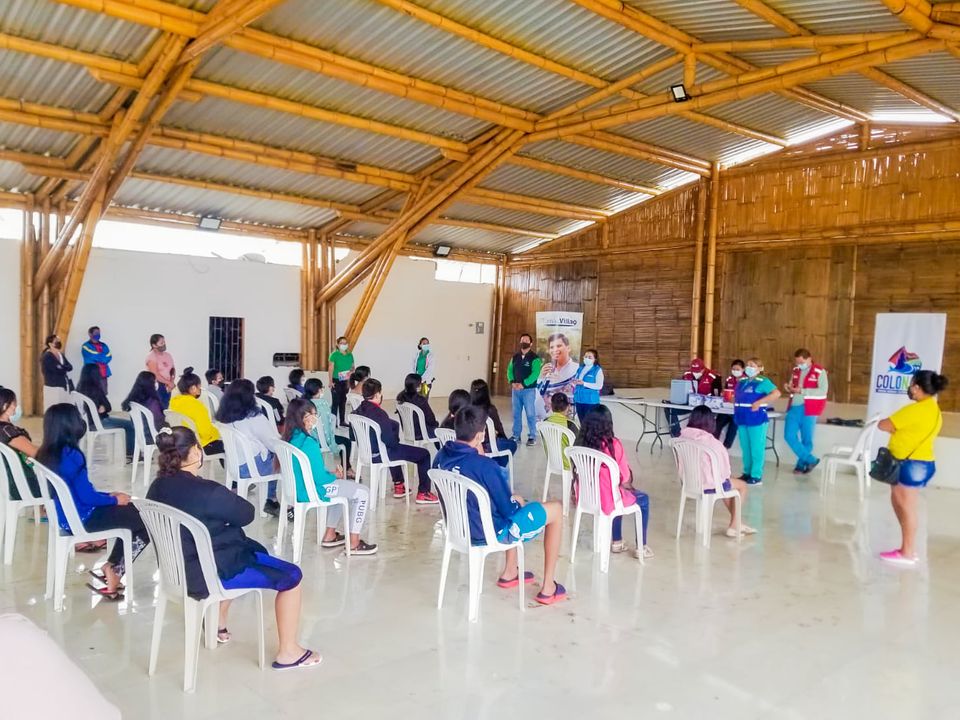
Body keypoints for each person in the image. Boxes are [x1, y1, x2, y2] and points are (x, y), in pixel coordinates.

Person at [146, 426, 321, 669]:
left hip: (176, 571)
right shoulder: (209, 491)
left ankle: (217, 622)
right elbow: (246, 514)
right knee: (292, 576)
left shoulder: (157, 487)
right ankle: (289, 652)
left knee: (255, 550)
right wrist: (225, 497)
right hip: (209, 575)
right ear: (195, 452)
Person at [434, 405, 566, 605]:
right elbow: (508, 510)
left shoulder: (440, 457)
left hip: (458, 529)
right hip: (488, 533)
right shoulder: (485, 466)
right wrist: (517, 501)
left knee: (508, 500)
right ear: (480, 436)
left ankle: (510, 571)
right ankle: (549, 587)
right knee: (554, 509)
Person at [37, 403, 150, 600]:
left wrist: (110, 496)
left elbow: (79, 492)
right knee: (146, 520)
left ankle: (112, 567)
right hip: (84, 517)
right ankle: (115, 570)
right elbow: (87, 497)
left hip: (66, 517)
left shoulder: (46, 454)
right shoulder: (72, 455)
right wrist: (114, 500)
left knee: (132, 510)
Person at [282, 399, 376, 555]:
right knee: (363, 492)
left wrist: (332, 475)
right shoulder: (308, 442)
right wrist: (333, 477)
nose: (316, 418)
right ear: (305, 417)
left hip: (296, 489)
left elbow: (311, 471)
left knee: (340, 488)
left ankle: (330, 535)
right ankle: (354, 543)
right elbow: (320, 478)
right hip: (312, 490)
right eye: (314, 414)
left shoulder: (290, 438)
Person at [877, 370, 948, 567]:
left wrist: (894, 428)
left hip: (910, 464)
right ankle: (907, 549)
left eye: (912, 385)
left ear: (917, 387)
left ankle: (907, 552)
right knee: (905, 505)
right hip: (921, 463)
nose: (910, 389)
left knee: (906, 508)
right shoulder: (933, 409)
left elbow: (884, 425)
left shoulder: (915, 410)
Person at [575, 405, 653, 558]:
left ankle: (617, 542)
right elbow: (625, 478)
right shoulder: (613, 445)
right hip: (606, 499)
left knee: (616, 493)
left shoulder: (579, 444)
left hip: (586, 497)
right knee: (640, 499)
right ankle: (641, 547)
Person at [353, 378, 438, 504]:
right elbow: (390, 442)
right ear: (377, 394)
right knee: (424, 454)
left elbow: (352, 434)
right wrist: (394, 440)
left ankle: (399, 485)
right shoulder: (379, 413)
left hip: (366, 453)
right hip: (381, 454)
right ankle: (423, 493)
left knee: (394, 443)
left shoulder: (356, 411)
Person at [680, 405, 756, 537]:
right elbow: (725, 471)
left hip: (690, 483)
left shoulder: (682, 437)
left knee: (728, 485)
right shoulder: (714, 443)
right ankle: (734, 525)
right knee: (741, 485)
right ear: (711, 422)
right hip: (709, 485)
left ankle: (737, 522)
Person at [216, 379, 281, 517]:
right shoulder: (254, 417)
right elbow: (273, 443)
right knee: (281, 457)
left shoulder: (223, 416)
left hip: (234, 466)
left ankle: (268, 498)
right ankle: (272, 499)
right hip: (253, 468)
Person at [733, 357, 781, 486]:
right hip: (742, 418)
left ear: (760, 368)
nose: (749, 367)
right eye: (748, 365)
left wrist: (759, 402)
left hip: (756, 419)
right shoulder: (742, 381)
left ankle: (756, 475)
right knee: (746, 448)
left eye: (753, 365)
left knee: (756, 448)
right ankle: (747, 472)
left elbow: (776, 394)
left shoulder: (763, 381)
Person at [783, 348, 828, 475]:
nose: (799, 365)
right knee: (789, 435)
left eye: (801, 362)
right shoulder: (796, 370)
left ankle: (801, 465)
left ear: (809, 359)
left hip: (810, 408)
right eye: (797, 362)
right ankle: (811, 460)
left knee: (806, 439)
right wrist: (789, 387)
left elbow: (823, 391)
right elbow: (793, 385)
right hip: (794, 407)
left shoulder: (819, 371)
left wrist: (802, 391)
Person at [76, 364, 135, 458]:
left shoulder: (79, 389)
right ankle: (131, 454)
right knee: (130, 425)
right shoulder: (96, 389)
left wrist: (102, 408)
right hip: (100, 422)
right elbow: (108, 407)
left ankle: (130, 454)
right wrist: (103, 407)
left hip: (87, 423)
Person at [168, 368, 224, 457]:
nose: (200, 389)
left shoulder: (174, 402)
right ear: (193, 388)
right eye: (199, 387)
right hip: (200, 445)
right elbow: (206, 433)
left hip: (181, 443)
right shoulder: (197, 405)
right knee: (229, 445)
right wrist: (218, 432)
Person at [303, 378, 353, 477]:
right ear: (318, 390)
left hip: (309, 439)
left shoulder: (304, 403)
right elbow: (326, 427)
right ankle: (347, 469)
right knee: (346, 442)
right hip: (322, 441)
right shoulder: (322, 404)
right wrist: (331, 444)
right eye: (322, 387)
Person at [0, 386, 41, 502]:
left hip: (9, 483)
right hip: (24, 485)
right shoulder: (8, 432)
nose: (16, 406)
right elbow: (36, 454)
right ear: (5, 406)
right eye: (14, 403)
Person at [669, 357, 722, 437]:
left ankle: (704, 439)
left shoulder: (713, 377)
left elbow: (717, 395)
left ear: (703, 369)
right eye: (694, 371)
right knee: (669, 409)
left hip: (705, 407)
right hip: (689, 404)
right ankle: (677, 434)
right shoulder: (687, 374)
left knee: (701, 417)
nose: (695, 373)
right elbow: (682, 389)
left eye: (698, 371)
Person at [508, 333, 543, 447]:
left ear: (531, 344)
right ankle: (516, 435)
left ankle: (532, 436)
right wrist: (512, 382)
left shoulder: (535, 358)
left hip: (528, 390)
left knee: (530, 414)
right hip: (516, 390)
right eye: (522, 340)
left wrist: (524, 384)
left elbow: (535, 374)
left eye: (527, 341)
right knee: (516, 414)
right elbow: (509, 370)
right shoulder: (515, 357)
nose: (524, 342)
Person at [470, 378, 517, 460]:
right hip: (487, 445)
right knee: (512, 444)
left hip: (470, 444)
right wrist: (503, 438)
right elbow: (499, 428)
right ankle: (496, 465)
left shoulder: (467, 409)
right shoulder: (490, 409)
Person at [537, 333, 579, 422]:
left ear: (568, 348)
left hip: (567, 415)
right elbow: (539, 392)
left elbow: (577, 392)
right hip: (547, 416)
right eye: (552, 347)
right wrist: (541, 377)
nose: (555, 350)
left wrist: (561, 380)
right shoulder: (548, 368)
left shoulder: (577, 369)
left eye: (559, 346)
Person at [396, 373, 438, 441]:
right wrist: (436, 424)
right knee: (440, 431)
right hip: (421, 433)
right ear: (417, 386)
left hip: (408, 431)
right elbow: (431, 419)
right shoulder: (421, 400)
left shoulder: (400, 397)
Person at [122, 371, 166, 435]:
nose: (156, 383)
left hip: (140, 435)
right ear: (151, 384)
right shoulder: (153, 402)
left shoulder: (132, 401)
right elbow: (159, 422)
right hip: (154, 436)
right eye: (155, 381)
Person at [715, 359, 745, 449]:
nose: (735, 371)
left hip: (739, 410)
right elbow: (725, 390)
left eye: (737, 369)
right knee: (717, 424)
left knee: (733, 427)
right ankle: (714, 445)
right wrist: (722, 394)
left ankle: (725, 448)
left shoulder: (746, 381)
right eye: (733, 369)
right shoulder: (729, 379)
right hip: (727, 408)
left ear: (743, 369)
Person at [544, 393, 578, 471]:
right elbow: (579, 445)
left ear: (551, 406)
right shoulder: (570, 424)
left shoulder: (545, 422)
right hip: (567, 463)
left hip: (551, 461)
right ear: (568, 406)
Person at [40, 334, 73, 411]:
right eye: (56, 341)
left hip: (63, 385)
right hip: (52, 386)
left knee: (63, 408)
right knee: (52, 409)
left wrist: (61, 367)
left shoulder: (60, 354)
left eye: (58, 341)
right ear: (50, 344)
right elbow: (55, 370)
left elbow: (70, 367)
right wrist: (63, 368)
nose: (58, 342)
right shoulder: (47, 356)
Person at [328, 337, 355, 426]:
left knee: (343, 401)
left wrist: (351, 371)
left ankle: (342, 421)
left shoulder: (350, 355)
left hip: (346, 380)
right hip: (336, 380)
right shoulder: (334, 355)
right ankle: (333, 422)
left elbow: (353, 367)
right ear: (338, 344)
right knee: (335, 402)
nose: (344, 345)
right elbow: (331, 368)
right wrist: (330, 381)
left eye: (345, 343)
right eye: (342, 343)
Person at [572, 348, 604, 422]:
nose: (587, 358)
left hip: (590, 402)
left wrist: (584, 383)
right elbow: (576, 381)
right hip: (579, 400)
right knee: (582, 423)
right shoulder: (580, 368)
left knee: (591, 425)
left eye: (590, 357)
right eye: (585, 356)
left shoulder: (597, 370)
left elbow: (599, 386)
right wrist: (574, 382)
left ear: (595, 359)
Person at [145, 334, 175, 409]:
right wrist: (168, 383)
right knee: (157, 408)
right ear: (154, 345)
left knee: (165, 407)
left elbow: (172, 369)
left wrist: (171, 381)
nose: (164, 344)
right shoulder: (151, 357)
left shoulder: (168, 355)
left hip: (168, 386)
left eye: (164, 342)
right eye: (161, 343)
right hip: (157, 386)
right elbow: (155, 374)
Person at [80, 326, 112, 394]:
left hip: (103, 374)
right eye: (96, 332)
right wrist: (102, 356)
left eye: (99, 332)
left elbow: (109, 357)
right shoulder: (86, 346)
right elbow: (92, 356)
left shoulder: (104, 345)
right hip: (91, 374)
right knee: (90, 394)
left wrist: (99, 356)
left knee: (103, 394)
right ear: (90, 334)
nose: (98, 334)